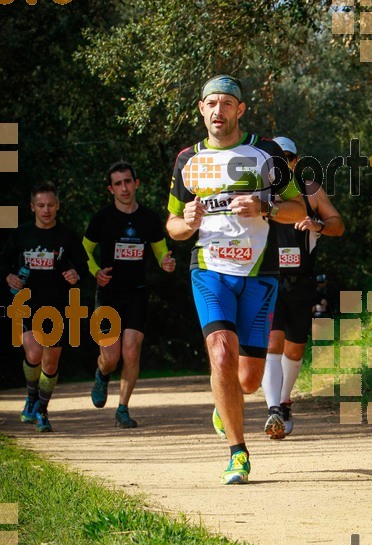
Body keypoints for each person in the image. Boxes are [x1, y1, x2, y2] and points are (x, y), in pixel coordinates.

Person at [166, 75, 305, 484]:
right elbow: (172, 225)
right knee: (222, 356)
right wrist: (185, 223)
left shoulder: (266, 154)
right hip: (209, 271)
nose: (218, 111)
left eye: (227, 103)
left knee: (246, 380)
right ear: (201, 108)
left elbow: (298, 210)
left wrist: (265, 205)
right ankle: (238, 453)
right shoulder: (187, 160)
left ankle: (223, 402)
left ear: (240, 110)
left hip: (260, 274)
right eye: (211, 103)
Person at [261, 137, 344, 439]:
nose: (283, 162)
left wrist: (317, 225)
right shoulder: (259, 193)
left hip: (301, 280)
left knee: (295, 348)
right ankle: (273, 409)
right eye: (276, 158)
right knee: (272, 342)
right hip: (268, 280)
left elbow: (338, 224)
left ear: (297, 161)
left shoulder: (310, 190)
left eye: (289, 157)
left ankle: (283, 402)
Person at [83, 161, 176, 428]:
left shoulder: (149, 219)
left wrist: (165, 263)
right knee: (111, 358)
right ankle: (102, 374)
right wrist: (96, 271)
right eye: (118, 183)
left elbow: (161, 251)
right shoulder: (102, 218)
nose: (124, 188)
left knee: (132, 352)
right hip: (108, 294)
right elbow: (84, 251)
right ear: (110, 189)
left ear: (136, 183)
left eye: (127, 181)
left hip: (137, 293)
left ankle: (122, 409)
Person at [0, 181, 88, 432]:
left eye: (50, 205)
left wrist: (75, 273)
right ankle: (31, 398)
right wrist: (8, 276)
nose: (46, 210)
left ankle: (42, 410)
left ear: (58, 206)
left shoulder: (67, 236)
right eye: (41, 205)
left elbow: (83, 265)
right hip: (26, 303)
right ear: (32, 207)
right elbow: (3, 262)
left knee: (50, 363)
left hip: (56, 306)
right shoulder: (21, 234)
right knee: (34, 354)